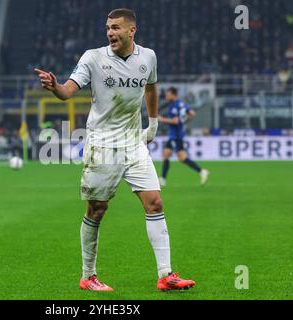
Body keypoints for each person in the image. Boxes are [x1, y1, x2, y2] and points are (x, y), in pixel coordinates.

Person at [34, 8, 195, 292]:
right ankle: (88, 276)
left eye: (116, 27)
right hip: (102, 144)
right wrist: (55, 86)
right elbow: (68, 91)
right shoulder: (93, 58)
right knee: (97, 209)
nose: (110, 32)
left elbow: (151, 89)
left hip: (133, 142)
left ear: (132, 30)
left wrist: (154, 123)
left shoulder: (148, 57)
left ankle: (166, 274)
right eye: (108, 28)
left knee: (155, 203)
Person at [158, 88, 209, 187]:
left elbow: (175, 121)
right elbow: (192, 114)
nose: (166, 97)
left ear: (174, 95)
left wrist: (162, 119)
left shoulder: (174, 106)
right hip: (176, 134)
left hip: (175, 135)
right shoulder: (181, 104)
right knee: (166, 154)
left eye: (168, 95)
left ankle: (202, 171)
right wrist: (185, 122)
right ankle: (163, 179)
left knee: (181, 158)